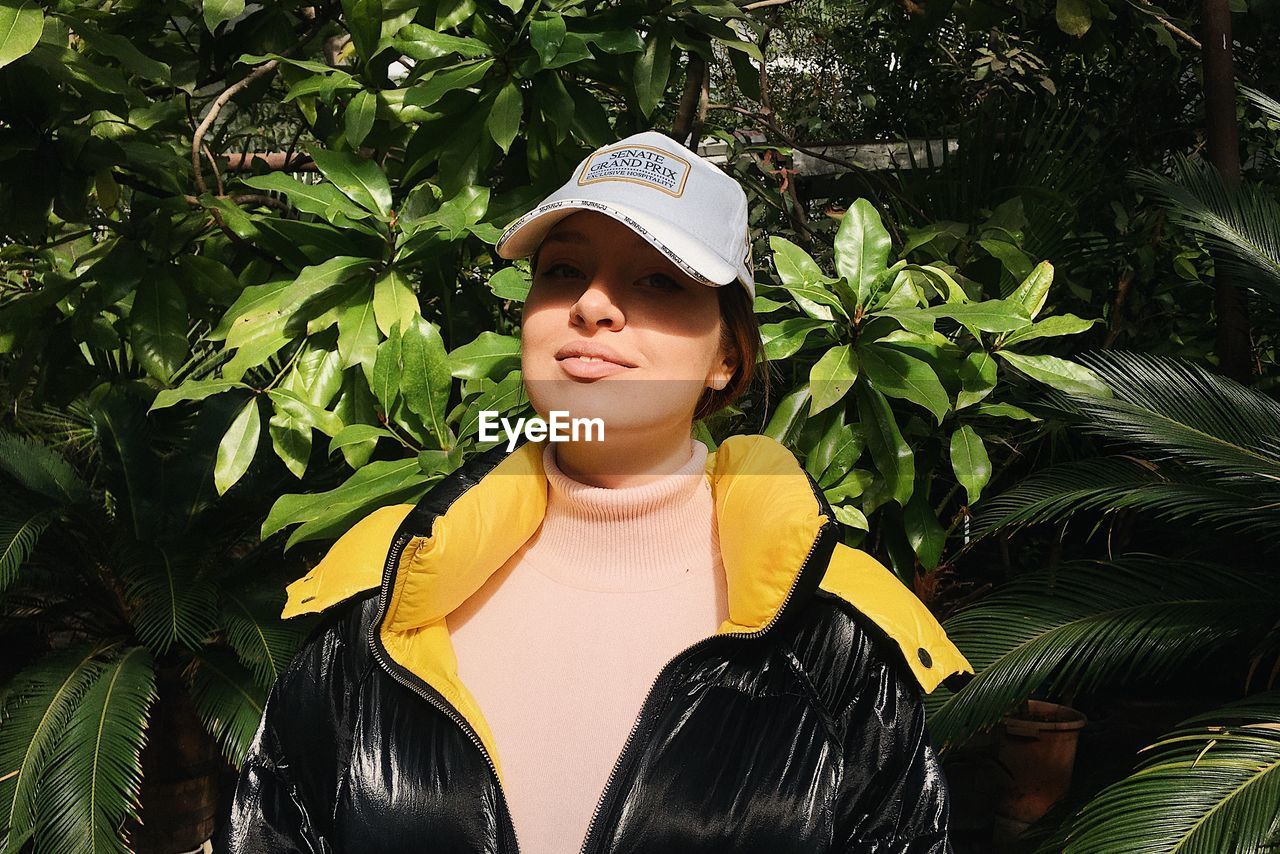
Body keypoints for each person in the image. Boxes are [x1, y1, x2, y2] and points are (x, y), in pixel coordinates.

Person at [215, 129, 975, 853]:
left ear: (728, 356)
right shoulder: (392, 587)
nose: (591, 305)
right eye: (563, 272)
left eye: (656, 279)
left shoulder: (833, 627)